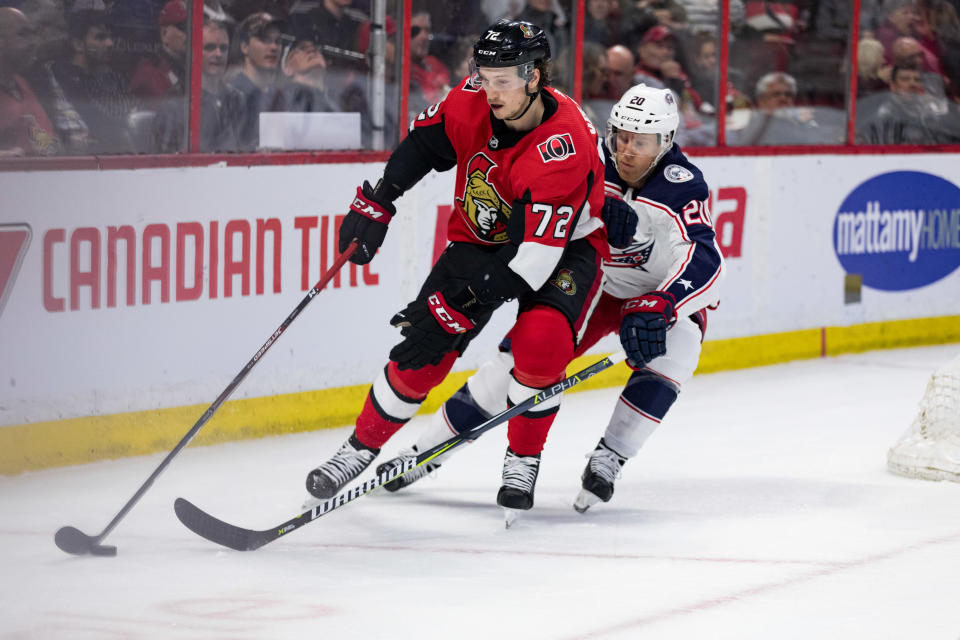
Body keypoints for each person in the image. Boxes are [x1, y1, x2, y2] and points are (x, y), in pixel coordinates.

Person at [374, 83, 724, 518]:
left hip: (657, 298)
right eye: (622, 137)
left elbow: (705, 258)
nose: (628, 150)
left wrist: (665, 302)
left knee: (679, 353)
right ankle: (425, 451)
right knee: (513, 368)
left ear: (666, 142)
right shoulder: (591, 158)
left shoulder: (681, 184)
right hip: (597, 285)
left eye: (642, 141)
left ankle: (610, 457)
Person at [304, 19, 608, 519]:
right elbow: (425, 145)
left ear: (535, 77)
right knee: (423, 350)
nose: (490, 91)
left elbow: (533, 261)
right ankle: (360, 448)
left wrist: (462, 304)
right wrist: (381, 201)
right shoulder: (472, 96)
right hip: (479, 238)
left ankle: (522, 460)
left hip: (564, 251)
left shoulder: (564, 144)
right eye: (484, 77)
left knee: (541, 342)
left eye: (504, 81)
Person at [153, 18, 244, 152]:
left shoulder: (236, 98)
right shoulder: (174, 102)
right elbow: (164, 163)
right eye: (209, 47)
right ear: (192, 52)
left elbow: (244, 150)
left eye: (223, 48)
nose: (218, 54)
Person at [0, 6, 60, 156]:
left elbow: (51, 145)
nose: (33, 43)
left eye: (32, 35)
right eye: (22, 35)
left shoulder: (21, 84)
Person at [227, 11, 284, 150]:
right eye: (264, 40)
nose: (274, 47)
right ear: (244, 47)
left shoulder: (279, 95)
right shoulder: (232, 96)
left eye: (278, 41)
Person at [128, 0, 188, 106]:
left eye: (193, 28)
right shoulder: (149, 74)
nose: (190, 34)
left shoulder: (192, 67)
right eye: (184, 28)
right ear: (164, 34)